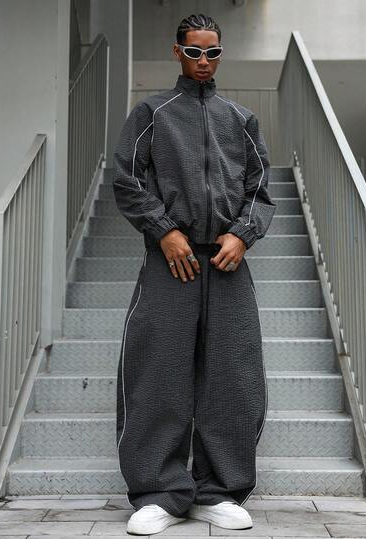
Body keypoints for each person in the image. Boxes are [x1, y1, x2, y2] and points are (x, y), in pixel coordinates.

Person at [112, 12, 276, 536]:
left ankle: (217, 491)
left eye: (213, 52)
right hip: (171, 262)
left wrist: (242, 234)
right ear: (177, 52)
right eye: (194, 51)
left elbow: (259, 189)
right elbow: (127, 178)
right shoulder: (153, 112)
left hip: (227, 263)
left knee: (234, 377)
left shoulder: (240, 118)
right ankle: (158, 493)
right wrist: (163, 230)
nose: (204, 61)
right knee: (156, 373)